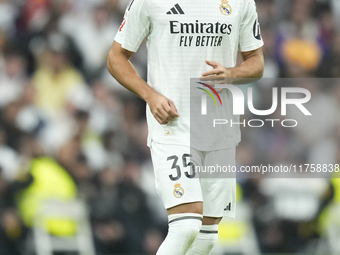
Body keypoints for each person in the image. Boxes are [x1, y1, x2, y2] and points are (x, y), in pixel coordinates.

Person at [107, 0, 264, 254]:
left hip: (219, 130)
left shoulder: (241, 2)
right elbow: (116, 57)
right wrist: (150, 96)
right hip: (173, 125)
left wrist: (232, 73)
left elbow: (256, 61)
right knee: (186, 226)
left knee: (207, 236)